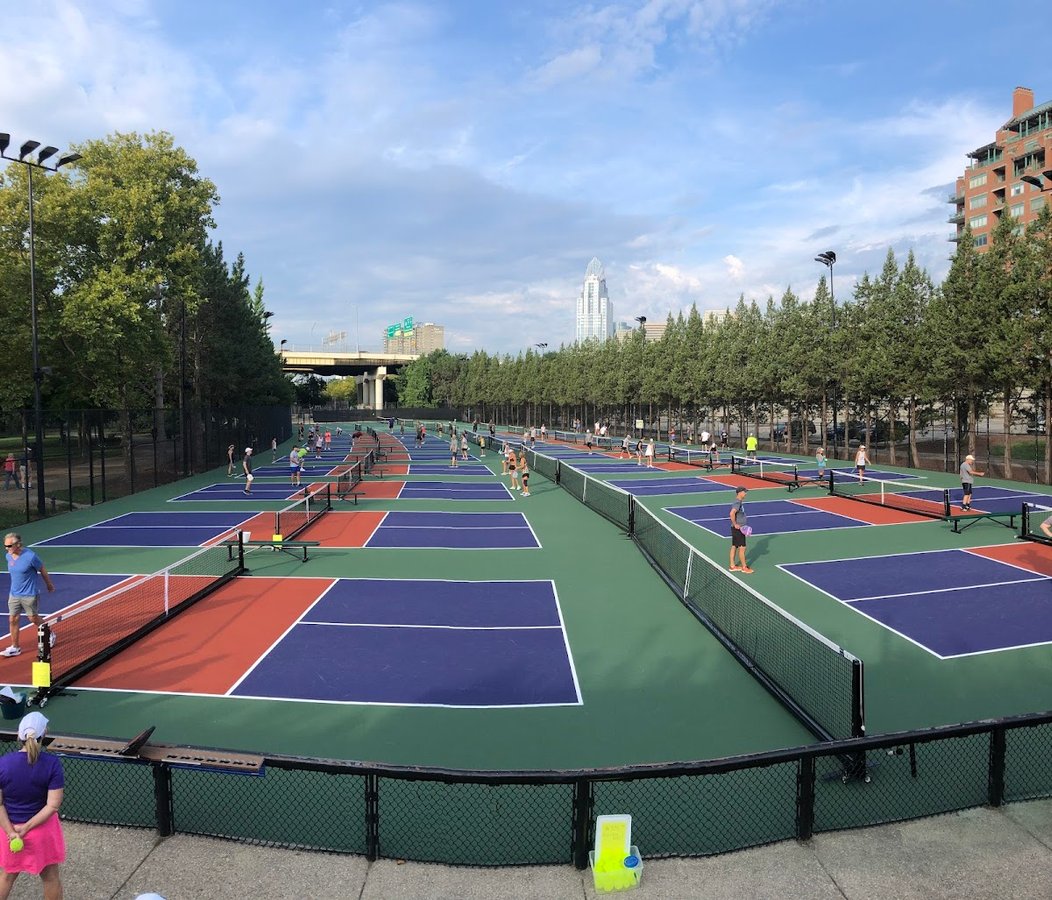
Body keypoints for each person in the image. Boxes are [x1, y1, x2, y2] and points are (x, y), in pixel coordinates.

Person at [0, 711, 65, 899]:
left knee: (6, 877)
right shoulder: (52, 764)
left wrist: (12, 832)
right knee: (51, 878)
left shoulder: (2, 764)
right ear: (43, 735)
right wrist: (27, 828)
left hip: (9, 832)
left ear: (18, 736)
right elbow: (53, 806)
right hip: (42, 833)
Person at [2, 535, 55, 658]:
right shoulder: (8, 556)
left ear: (18, 544)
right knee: (12, 619)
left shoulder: (30, 556)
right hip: (14, 594)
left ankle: (50, 633)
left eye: (9, 546)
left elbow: (42, 569)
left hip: (29, 594)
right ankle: (15, 647)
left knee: (33, 618)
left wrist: (49, 584)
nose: (6, 548)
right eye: (5, 546)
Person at [729, 486, 753, 573]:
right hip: (738, 529)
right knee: (742, 548)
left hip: (737, 528)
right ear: (739, 493)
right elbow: (732, 513)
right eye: (744, 492)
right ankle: (744, 567)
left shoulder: (738, 502)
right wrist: (736, 524)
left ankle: (732, 566)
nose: (745, 493)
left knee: (734, 546)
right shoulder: (737, 503)